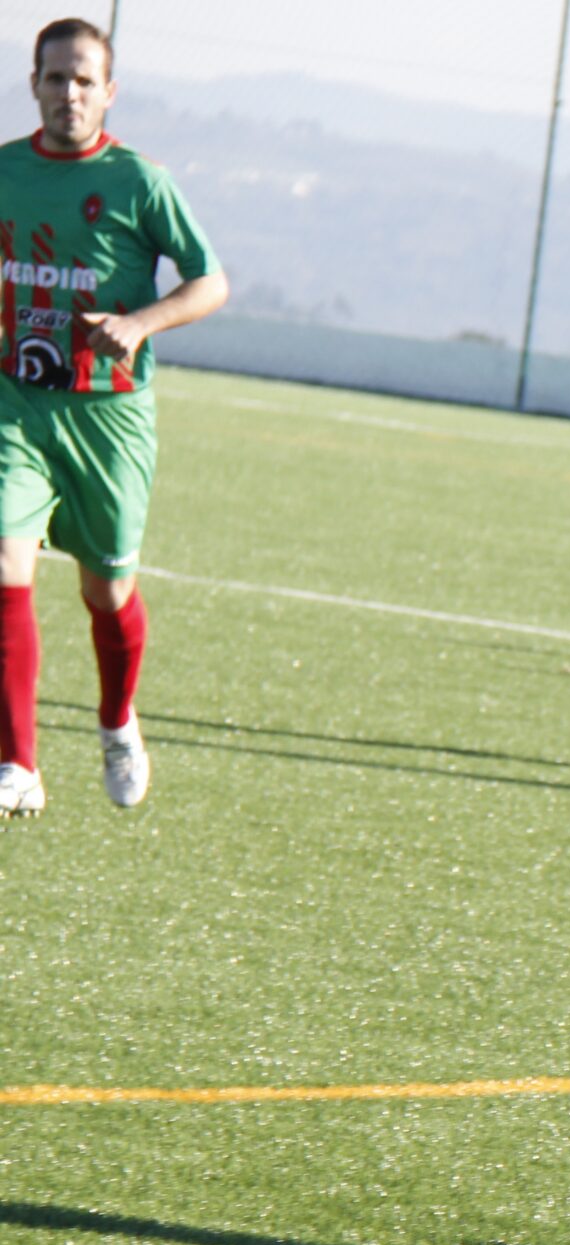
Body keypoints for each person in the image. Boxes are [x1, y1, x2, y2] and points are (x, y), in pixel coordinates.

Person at [0, 16, 228, 817]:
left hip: (110, 417)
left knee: (108, 593)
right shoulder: (4, 173)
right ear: (33, 84)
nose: (69, 93)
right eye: (55, 77)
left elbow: (211, 282)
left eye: (84, 80)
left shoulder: (141, 182)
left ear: (109, 92)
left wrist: (140, 324)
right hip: (16, 405)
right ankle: (18, 766)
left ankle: (116, 720)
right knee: (4, 565)